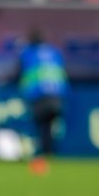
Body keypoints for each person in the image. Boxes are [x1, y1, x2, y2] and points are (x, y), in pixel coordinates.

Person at [18, 30, 69, 170]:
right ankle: (50, 154)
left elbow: (20, 72)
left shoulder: (28, 53)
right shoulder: (55, 52)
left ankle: (42, 156)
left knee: (41, 127)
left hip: (39, 95)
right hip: (57, 96)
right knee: (50, 126)